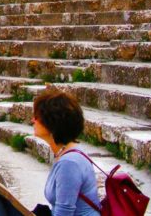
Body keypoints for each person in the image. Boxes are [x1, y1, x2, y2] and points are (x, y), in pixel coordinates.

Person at [32, 88, 100, 216]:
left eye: (36, 117)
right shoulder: (68, 153)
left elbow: (64, 213)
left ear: (51, 122)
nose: (33, 121)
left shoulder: (69, 163)